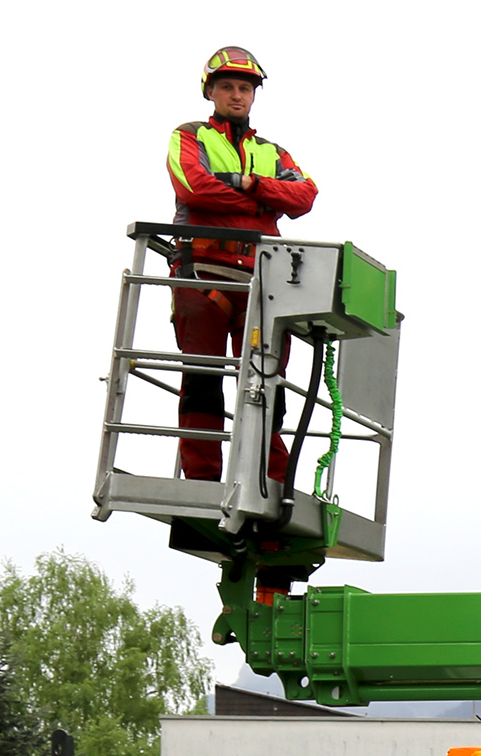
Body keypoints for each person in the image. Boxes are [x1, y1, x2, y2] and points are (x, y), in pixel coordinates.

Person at [167, 48, 318, 485]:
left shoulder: (273, 151)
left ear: (254, 96)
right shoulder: (189, 135)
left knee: (266, 383)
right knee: (203, 380)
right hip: (204, 274)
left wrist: (249, 182)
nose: (237, 95)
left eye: (245, 88)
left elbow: (304, 198)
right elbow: (195, 189)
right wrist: (263, 199)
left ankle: (268, 482)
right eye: (228, 87)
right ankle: (201, 479)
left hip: (262, 279)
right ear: (210, 92)